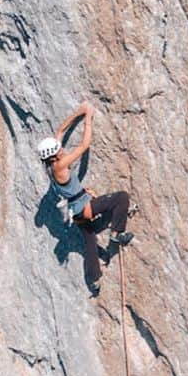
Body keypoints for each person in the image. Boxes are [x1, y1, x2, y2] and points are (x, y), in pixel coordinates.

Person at [37, 103, 134, 295]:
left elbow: (61, 130)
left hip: (76, 212)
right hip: (84, 208)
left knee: (89, 241)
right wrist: (88, 117)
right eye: (59, 151)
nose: (62, 150)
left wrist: (78, 112)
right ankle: (116, 233)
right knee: (122, 198)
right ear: (54, 156)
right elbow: (84, 145)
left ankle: (94, 278)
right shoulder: (60, 166)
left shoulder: (50, 166)